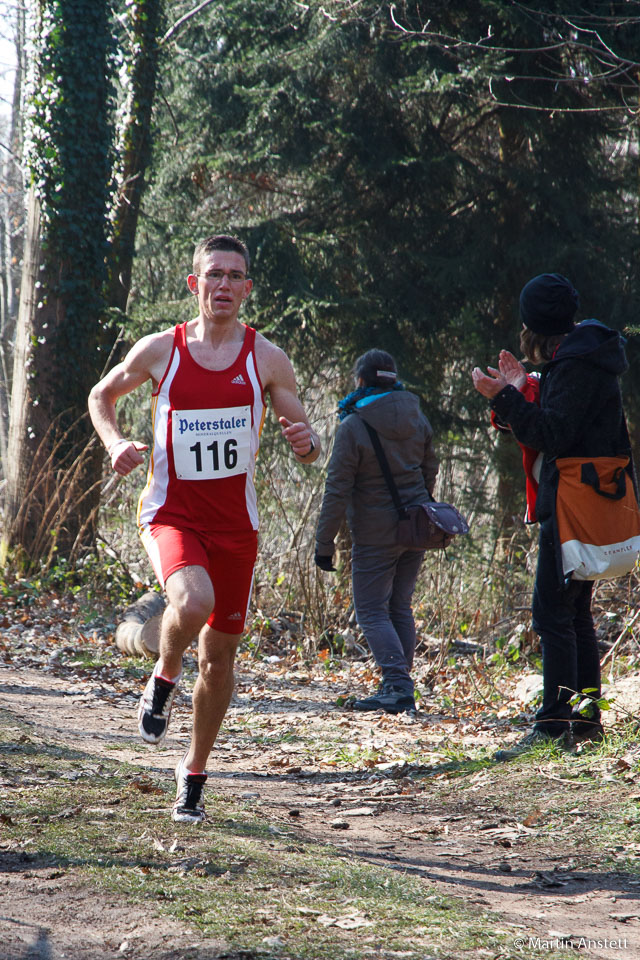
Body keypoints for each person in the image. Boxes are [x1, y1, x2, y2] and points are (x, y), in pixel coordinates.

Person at [88, 234, 320, 821]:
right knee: (193, 602)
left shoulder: (267, 358)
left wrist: (307, 441)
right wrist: (114, 443)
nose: (224, 285)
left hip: (237, 527)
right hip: (172, 513)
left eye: (235, 276)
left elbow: (306, 440)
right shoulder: (160, 350)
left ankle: (192, 772)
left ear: (247, 288)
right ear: (195, 284)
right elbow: (101, 394)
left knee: (219, 663)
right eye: (214, 274)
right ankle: (164, 676)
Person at [472, 273, 634, 759]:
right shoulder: (586, 355)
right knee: (574, 613)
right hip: (584, 498)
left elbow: (552, 434)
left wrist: (503, 397)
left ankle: (554, 725)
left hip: (571, 503)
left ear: (536, 328)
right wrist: (521, 389)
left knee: (552, 615)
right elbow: (559, 422)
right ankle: (584, 722)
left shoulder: (576, 365)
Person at [314, 349, 439, 715]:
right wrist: (416, 511)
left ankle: (397, 685)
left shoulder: (354, 426)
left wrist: (324, 543)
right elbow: (429, 470)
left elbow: (337, 489)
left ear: (361, 381)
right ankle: (397, 684)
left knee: (371, 609)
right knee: (399, 605)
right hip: (416, 526)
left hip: (374, 534)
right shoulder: (418, 417)